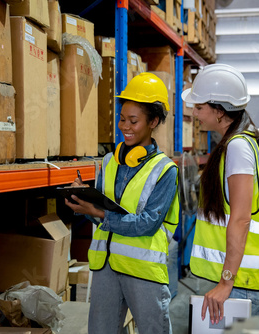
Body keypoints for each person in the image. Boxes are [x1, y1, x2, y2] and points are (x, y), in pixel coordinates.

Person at [65, 72, 180, 334]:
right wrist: (85, 203)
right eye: (121, 119)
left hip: (144, 271)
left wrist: (99, 213)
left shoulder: (165, 170)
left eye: (133, 121)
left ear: (153, 121)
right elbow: (100, 213)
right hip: (106, 267)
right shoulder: (109, 162)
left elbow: (148, 224)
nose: (125, 126)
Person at [182, 64, 259, 324]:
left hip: (238, 282)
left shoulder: (238, 148)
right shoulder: (236, 143)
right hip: (236, 280)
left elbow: (242, 218)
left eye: (199, 108)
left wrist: (226, 282)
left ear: (220, 112)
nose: (194, 113)